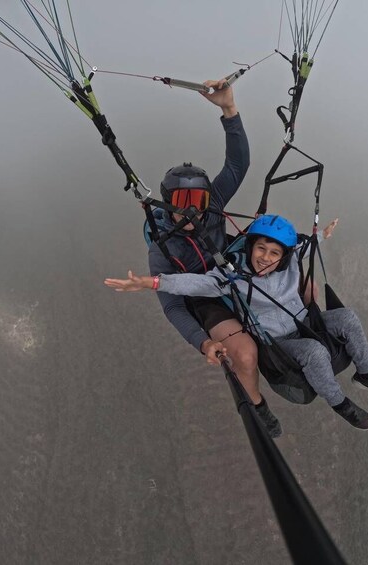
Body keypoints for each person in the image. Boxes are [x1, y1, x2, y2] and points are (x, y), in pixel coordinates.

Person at [105, 215, 368, 432]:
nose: (265, 258)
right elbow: (194, 283)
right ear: (250, 248)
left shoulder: (290, 263)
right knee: (315, 352)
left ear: (283, 256)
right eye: (260, 249)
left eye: (274, 253)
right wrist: (152, 282)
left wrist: (323, 234)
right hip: (280, 344)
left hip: (307, 322)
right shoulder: (233, 279)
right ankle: (340, 403)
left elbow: (305, 248)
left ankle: (367, 372)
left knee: (347, 317)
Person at [146, 78, 281, 433]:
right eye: (181, 203)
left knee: (304, 289)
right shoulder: (162, 246)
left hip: (235, 274)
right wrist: (203, 341)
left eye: (198, 203)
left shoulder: (215, 206)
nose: (191, 212)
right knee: (245, 355)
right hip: (207, 298)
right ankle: (256, 405)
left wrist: (229, 110)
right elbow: (173, 305)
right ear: (166, 203)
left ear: (208, 200)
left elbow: (237, 165)